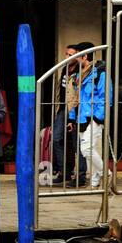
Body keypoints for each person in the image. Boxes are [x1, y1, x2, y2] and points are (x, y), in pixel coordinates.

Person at [74, 42, 107, 189]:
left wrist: (98, 117)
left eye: (77, 55)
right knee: (90, 151)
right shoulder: (79, 74)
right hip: (82, 116)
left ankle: (106, 174)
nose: (75, 59)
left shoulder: (99, 72)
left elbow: (105, 96)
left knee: (86, 148)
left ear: (84, 56)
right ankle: (94, 183)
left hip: (93, 116)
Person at [50, 44, 80, 185]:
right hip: (62, 109)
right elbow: (59, 91)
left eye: (70, 54)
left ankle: (80, 175)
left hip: (74, 109)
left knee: (76, 143)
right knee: (56, 139)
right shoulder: (63, 69)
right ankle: (64, 172)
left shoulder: (80, 71)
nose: (67, 57)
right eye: (66, 54)